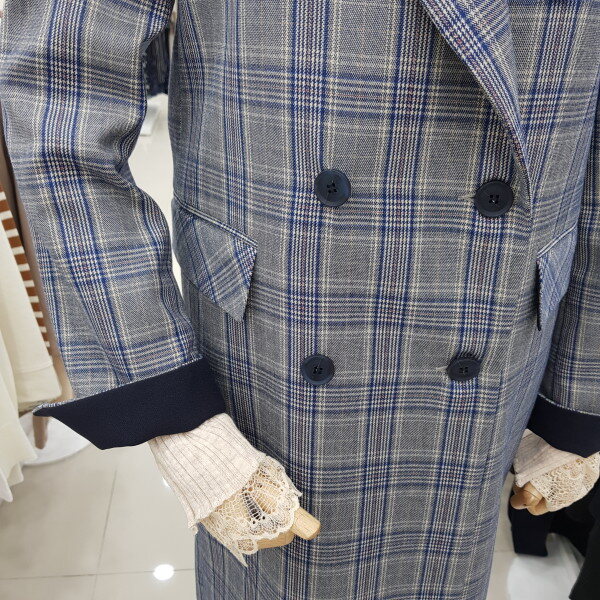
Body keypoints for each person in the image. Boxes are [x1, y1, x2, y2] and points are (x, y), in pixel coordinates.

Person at [0, 1, 599, 599]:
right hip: (281, 340)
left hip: (495, 329)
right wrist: (170, 407)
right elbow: (60, 98)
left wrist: (580, 393)